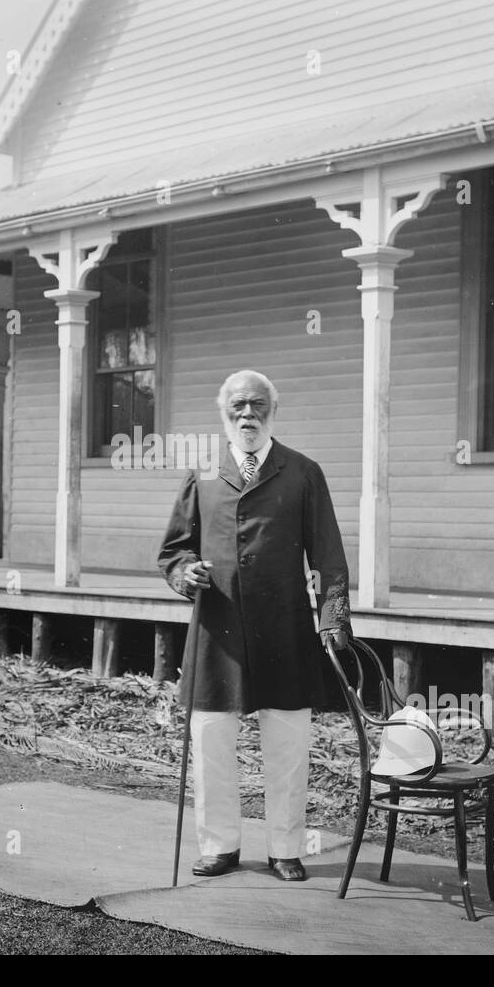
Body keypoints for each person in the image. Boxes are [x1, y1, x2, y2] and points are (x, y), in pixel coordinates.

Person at [158, 369, 351, 881]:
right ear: (224, 412)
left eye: (258, 406)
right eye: (239, 406)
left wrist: (333, 620)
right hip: (217, 631)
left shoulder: (303, 472)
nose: (248, 415)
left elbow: (329, 558)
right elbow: (174, 550)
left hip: (285, 631)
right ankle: (219, 846)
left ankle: (285, 848)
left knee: (288, 745)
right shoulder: (201, 472)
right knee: (212, 741)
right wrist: (185, 572)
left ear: (273, 412)